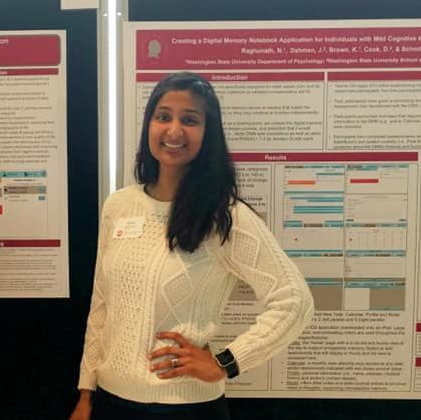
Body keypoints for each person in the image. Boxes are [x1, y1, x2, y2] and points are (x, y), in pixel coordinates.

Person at [70, 72, 314, 420]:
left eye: (189, 120)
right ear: (149, 124)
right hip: (112, 403)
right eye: (163, 116)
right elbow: (102, 306)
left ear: (207, 133)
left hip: (186, 410)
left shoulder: (225, 216)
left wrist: (225, 363)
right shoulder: (119, 205)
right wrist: (86, 393)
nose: (173, 131)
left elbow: (295, 301)